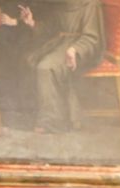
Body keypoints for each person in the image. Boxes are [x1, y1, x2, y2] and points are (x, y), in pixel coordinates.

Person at [14, 0, 103, 133]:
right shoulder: (63, 3)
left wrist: (74, 49)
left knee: (45, 67)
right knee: (29, 60)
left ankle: (52, 122)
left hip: (81, 49)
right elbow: (51, 28)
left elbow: (92, 38)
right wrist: (32, 22)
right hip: (62, 44)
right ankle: (42, 111)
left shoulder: (90, 4)